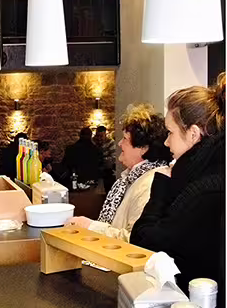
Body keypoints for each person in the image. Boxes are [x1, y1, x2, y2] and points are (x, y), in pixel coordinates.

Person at [130, 74, 226, 308]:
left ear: (193, 134)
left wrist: (161, 188)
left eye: (170, 133)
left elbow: (143, 243)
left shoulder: (203, 190)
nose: (166, 143)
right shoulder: (209, 174)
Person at [68, 103, 172, 241]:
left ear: (143, 148)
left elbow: (135, 240)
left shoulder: (151, 184)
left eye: (125, 139)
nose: (119, 143)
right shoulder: (132, 177)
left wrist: (91, 227)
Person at [94, 125, 117, 191]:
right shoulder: (93, 141)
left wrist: (102, 159)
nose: (99, 138)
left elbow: (113, 158)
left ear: (105, 135)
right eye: (97, 136)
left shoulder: (111, 142)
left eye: (101, 136)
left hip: (107, 170)